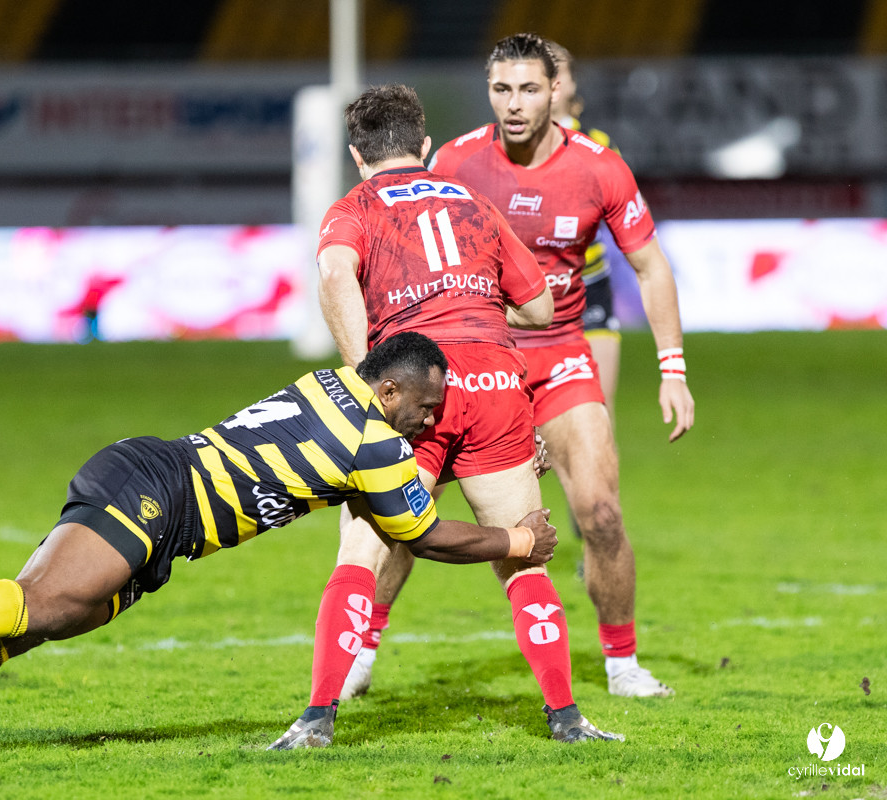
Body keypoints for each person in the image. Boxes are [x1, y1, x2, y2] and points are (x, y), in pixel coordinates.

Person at [0, 332, 562, 768]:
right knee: (40, 602)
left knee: (39, 627)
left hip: (168, 509)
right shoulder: (375, 442)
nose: (431, 424)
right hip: (160, 488)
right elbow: (424, 535)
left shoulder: (333, 385)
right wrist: (517, 537)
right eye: (426, 408)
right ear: (391, 394)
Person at [344, 33, 696, 702]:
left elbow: (650, 266)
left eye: (529, 88)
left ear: (556, 91)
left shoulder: (599, 168)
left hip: (560, 352)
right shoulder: (454, 161)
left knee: (600, 512)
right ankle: (361, 647)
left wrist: (672, 368)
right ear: (488, 93)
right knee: (401, 511)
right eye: (501, 89)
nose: (514, 103)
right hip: (467, 362)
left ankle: (621, 663)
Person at [269, 84, 622, 751]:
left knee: (361, 554)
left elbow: (336, 276)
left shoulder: (355, 208)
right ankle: (567, 718)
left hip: (412, 385)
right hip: (493, 384)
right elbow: (542, 308)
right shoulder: (472, 202)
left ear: (356, 155)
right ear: (425, 147)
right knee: (524, 552)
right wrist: (478, 314)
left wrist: (366, 378)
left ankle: (316, 720)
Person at [546, 40, 622, 414]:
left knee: (599, 417)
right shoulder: (502, 147)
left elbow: (623, 219)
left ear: (573, 83)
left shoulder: (600, 146)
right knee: (525, 432)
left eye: (559, 70)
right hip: (530, 294)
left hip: (589, 284)